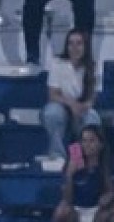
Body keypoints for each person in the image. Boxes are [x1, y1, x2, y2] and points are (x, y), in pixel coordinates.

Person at [52, 125, 114, 222]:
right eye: (84, 140)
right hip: (77, 211)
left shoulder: (111, 162)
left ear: (101, 144)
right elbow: (66, 198)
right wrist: (70, 174)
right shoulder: (72, 162)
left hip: (100, 210)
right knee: (61, 210)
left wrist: (110, 195)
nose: (87, 145)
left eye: (92, 141)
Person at [42, 30, 101, 159]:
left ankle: (83, 158)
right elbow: (53, 94)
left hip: (82, 106)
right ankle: (58, 155)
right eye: (71, 44)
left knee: (92, 118)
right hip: (62, 104)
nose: (74, 48)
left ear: (85, 46)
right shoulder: (57, 63)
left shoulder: (93, 66)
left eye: (79, 44)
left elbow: (93, 96)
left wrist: (82, 107)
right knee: (51, 113)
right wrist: (71, 104)